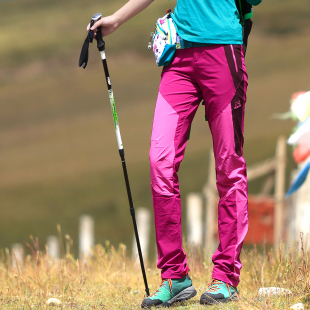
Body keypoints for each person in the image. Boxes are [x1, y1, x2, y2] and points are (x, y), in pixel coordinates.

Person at [88, 0, 262, 307]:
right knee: (160, 162)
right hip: (179, 56)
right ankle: (174, 276)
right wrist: (117, 19)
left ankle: (226, 277)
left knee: (228, 165)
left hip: (223, 53)